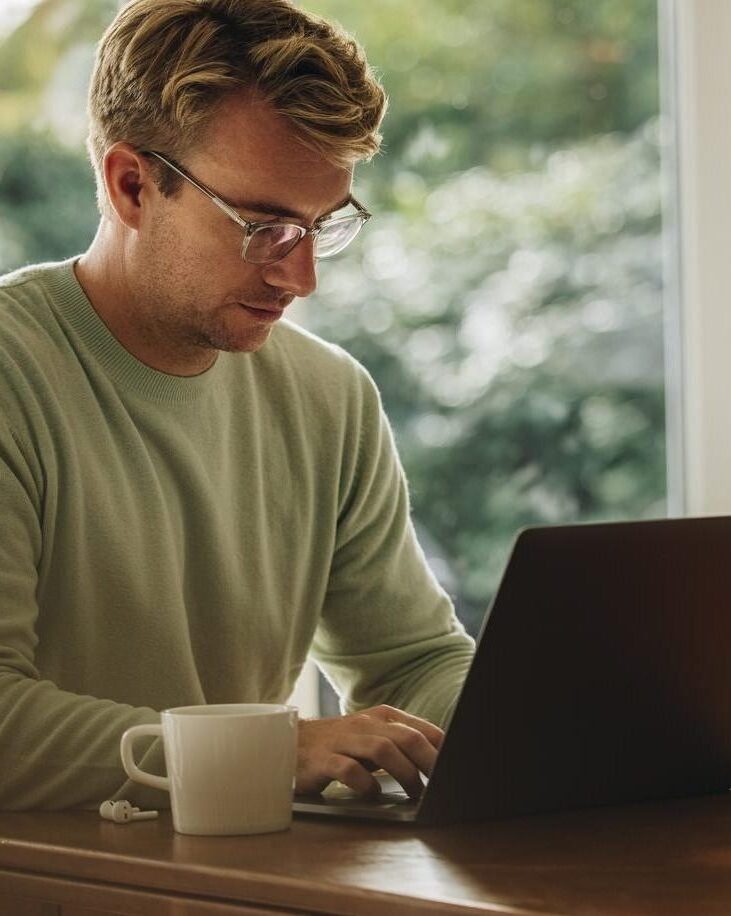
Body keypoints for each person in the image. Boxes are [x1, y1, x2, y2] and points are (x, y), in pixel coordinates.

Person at [0, 0, 474, 811]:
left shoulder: (330, 397)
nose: (300, 279)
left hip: (239, 880)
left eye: (322, 228)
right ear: (131, 184)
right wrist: (271, 749)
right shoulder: (15, 374)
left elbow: (413, 663)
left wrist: (573, 725)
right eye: (264, 227)